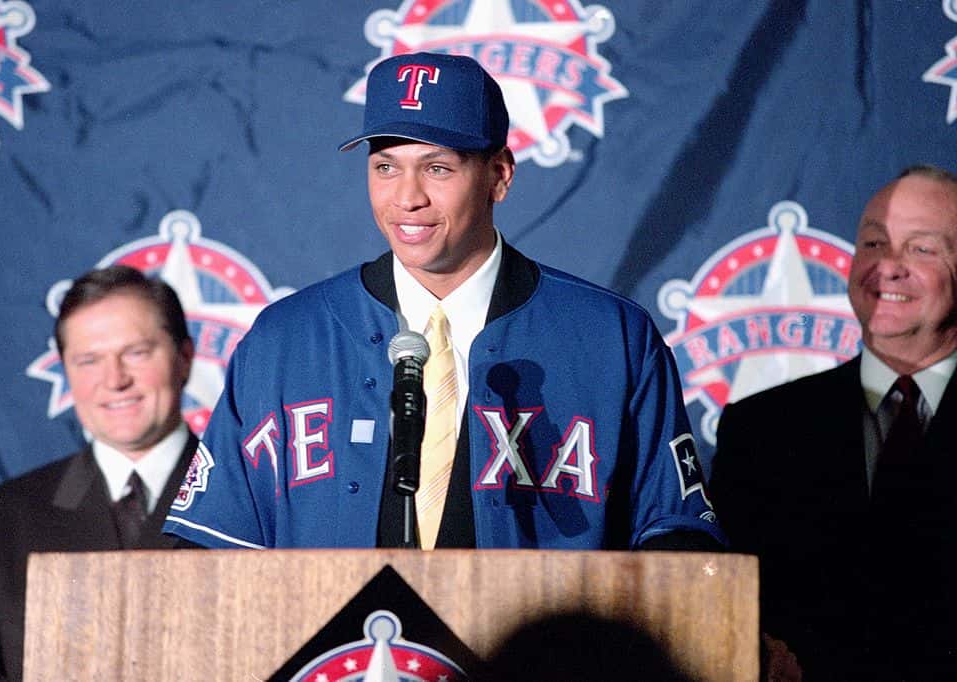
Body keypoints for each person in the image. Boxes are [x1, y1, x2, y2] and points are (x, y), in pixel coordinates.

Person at [163, 52, 722, 553]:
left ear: (498, 175)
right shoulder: (284, 340)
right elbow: (212, 551)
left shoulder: (612, 337)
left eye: (437, 167)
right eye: (386, 167)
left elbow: (676, 540)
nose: (407, 198)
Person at [711, 164, 957, 680]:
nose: (888, 267)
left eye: (922, 248)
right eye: (873, 243)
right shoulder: (760, 430)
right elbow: (727, 602)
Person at [0, 265, 197, 681]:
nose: (115, 380)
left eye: (136, 353)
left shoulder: (265, 504)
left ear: (184, 358)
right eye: (89, 360)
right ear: (67, 372)